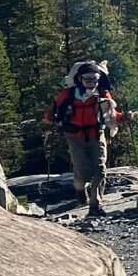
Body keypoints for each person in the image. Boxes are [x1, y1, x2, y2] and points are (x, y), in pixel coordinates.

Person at [49, 60, 118, 216]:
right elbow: (52, 111)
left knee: (100, 170)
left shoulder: (102, 94)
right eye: (88, 79)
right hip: (74, 137)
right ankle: (80, 189)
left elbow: (112, 115)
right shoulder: (68, 94)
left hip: (96, 134)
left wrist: (124, 117)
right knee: (82, 173)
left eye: (95, 79)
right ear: (80, 79)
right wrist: (50, 119)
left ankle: (95, 205)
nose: (92, 83)